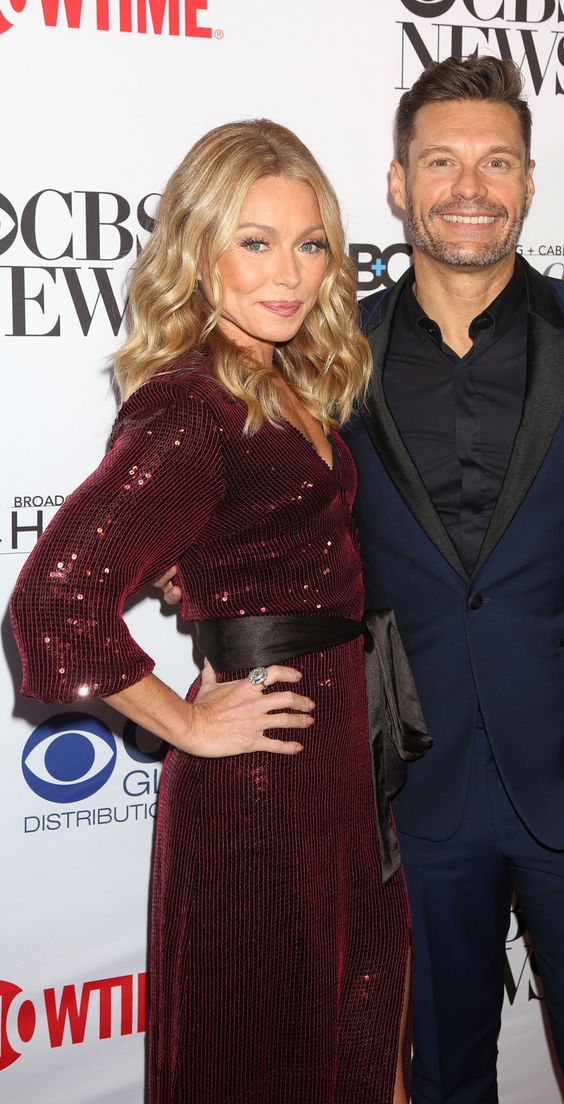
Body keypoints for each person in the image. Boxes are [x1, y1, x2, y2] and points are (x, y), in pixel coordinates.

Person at [11, 119, 429, 1104]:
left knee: (363, 1039)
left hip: (342, 767)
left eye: (311, 242)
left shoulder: (290, 382)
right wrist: (187, 719)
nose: (289, 272)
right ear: (199, 255)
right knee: (263, 1057)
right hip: (258, 793)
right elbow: (54, 603)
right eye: (255, 241)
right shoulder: (189, 408)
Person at [344, 55, 564, 1103]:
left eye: (496, 161)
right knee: (442, 1076)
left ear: (530, 181)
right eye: (442, 161)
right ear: (398, 183)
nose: (470, 187)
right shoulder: (334, 351)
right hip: (415, 794)